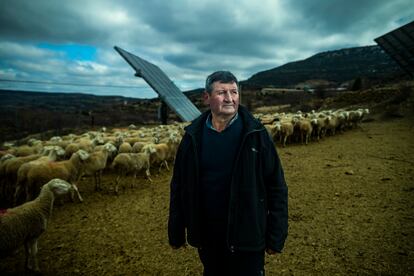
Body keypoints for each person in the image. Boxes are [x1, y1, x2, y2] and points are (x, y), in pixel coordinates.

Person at [168, 71, 288, 276]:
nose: (230, 98)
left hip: (248, 234)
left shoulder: (257, 136)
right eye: (222, 93)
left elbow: (276, 186)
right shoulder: (192, 137)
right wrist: (176, 231)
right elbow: (179, 186)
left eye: (234, 92)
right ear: (206, 98)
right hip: (208, 236)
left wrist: (276, 236)